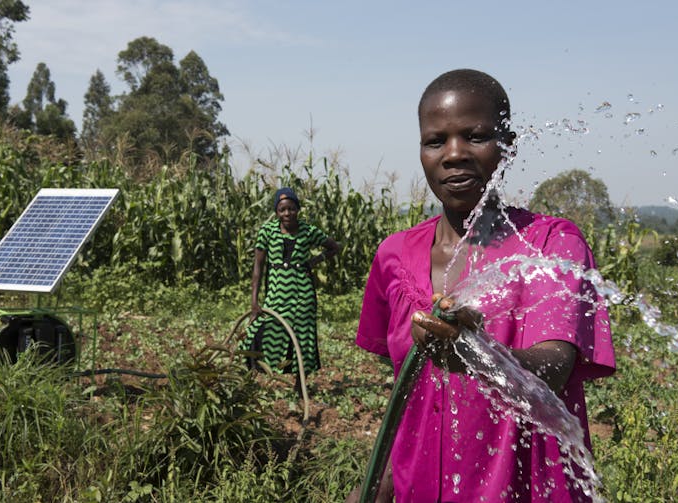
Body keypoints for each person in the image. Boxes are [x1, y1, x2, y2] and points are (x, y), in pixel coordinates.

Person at [349, 69, 616, 502]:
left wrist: (474, 351)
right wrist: (376, 492)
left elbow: (554, 368)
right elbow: (406, 399)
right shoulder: (394, 257)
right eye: (436, 141)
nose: (454, 154)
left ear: (506, 147)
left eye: (475, 136)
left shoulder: (549, 246)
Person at [241, 187, 340, 386]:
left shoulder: (308, 231)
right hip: (276, 294)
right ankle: (252, 377)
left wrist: (315, 260)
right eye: (282, 210)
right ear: (277, 212)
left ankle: (299, 383)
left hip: (303, 295)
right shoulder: (267, 232)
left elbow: (334, 247)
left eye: (291, 209)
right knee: (260, 330)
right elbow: (257, 269)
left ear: (298, 209)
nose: (287, 213)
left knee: (303, 336)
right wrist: (254, 303)